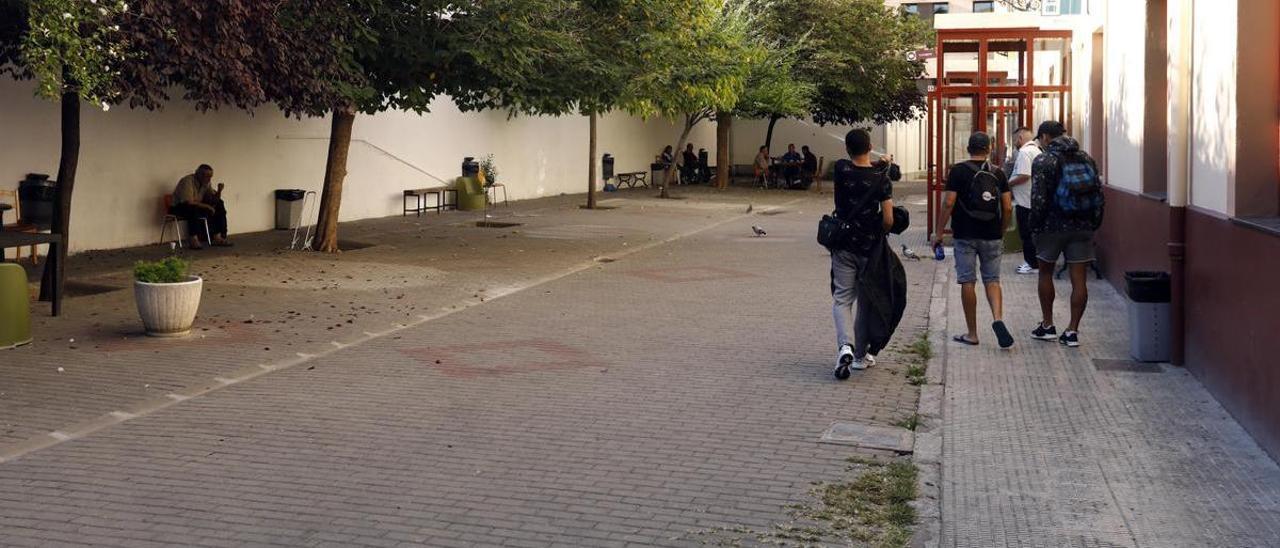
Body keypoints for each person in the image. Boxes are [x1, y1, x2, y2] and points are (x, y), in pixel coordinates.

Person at [932, 133, 1014, 348]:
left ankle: (972, 333)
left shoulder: (958, 171)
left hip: (965, 234)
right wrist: (1001, 229)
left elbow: (949, 202)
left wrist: (938, 232)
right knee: (992, 280)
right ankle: (997, 319)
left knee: (968, 281)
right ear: (989, 149)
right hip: (992, 234)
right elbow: (1007, 207)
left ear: (968, 148)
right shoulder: (998, 172)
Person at [829, 129, 900, 378]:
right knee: (866, 302)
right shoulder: (882, 180)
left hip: (843, 246)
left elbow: (857, 165)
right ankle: (859, 356)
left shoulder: (841, 169)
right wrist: (885, 165)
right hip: (870, 249)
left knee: (842, 299)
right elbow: (889, 219)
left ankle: (845, 346)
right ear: (870, 146)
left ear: (847, 149)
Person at [1028, 121, 1105, 348]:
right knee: (1079, 279)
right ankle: (1072, 331)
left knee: (1045, 273)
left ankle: (1048, 325)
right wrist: (1094, 223)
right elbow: (1099, 193)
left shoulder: (1043, 160)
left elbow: (1038, 198)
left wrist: (1034, 226)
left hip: (1051, 226)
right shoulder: (1086, 158)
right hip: (1081, 226)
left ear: (1044, 137)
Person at [170, 164, 231, 249]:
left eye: (211, 176)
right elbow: (189, 202)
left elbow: (214, 200)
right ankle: (193, 239)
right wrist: (207, 207)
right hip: (178, 207)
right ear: (199, 174)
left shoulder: (206, 183)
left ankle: (218, 236)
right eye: (207, 176)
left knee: (219, 204)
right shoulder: (187, 181)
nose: (209, 179)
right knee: (192, 209)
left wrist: (219, 191)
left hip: (196, 205)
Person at [1008, 126, 1041, 274]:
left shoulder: (1024, 152)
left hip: (1025, 201)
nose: (1015, 142)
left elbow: (1024, 175)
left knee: (1026, 235)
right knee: (1033, 234)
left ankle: (1031, 264)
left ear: (1020, 138)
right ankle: (1035, 262)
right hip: (1034, 200)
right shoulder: (1037, 151)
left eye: (1015, 139)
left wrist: (1007, 184)